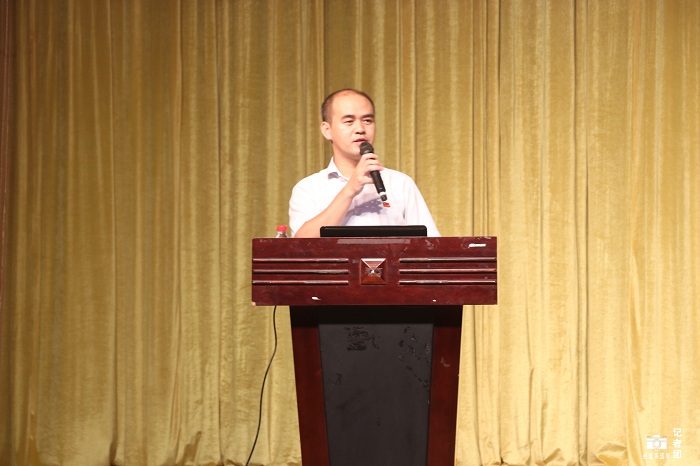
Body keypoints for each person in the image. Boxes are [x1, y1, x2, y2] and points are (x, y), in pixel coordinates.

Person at [289, 89, 440, 237]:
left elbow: (431, 244)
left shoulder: (400, 184)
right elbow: (301, 244)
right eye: (349, 121)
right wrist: (350, 190)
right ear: (327, 130)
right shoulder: (309, 188)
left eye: (367, 121)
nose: (360, 129)